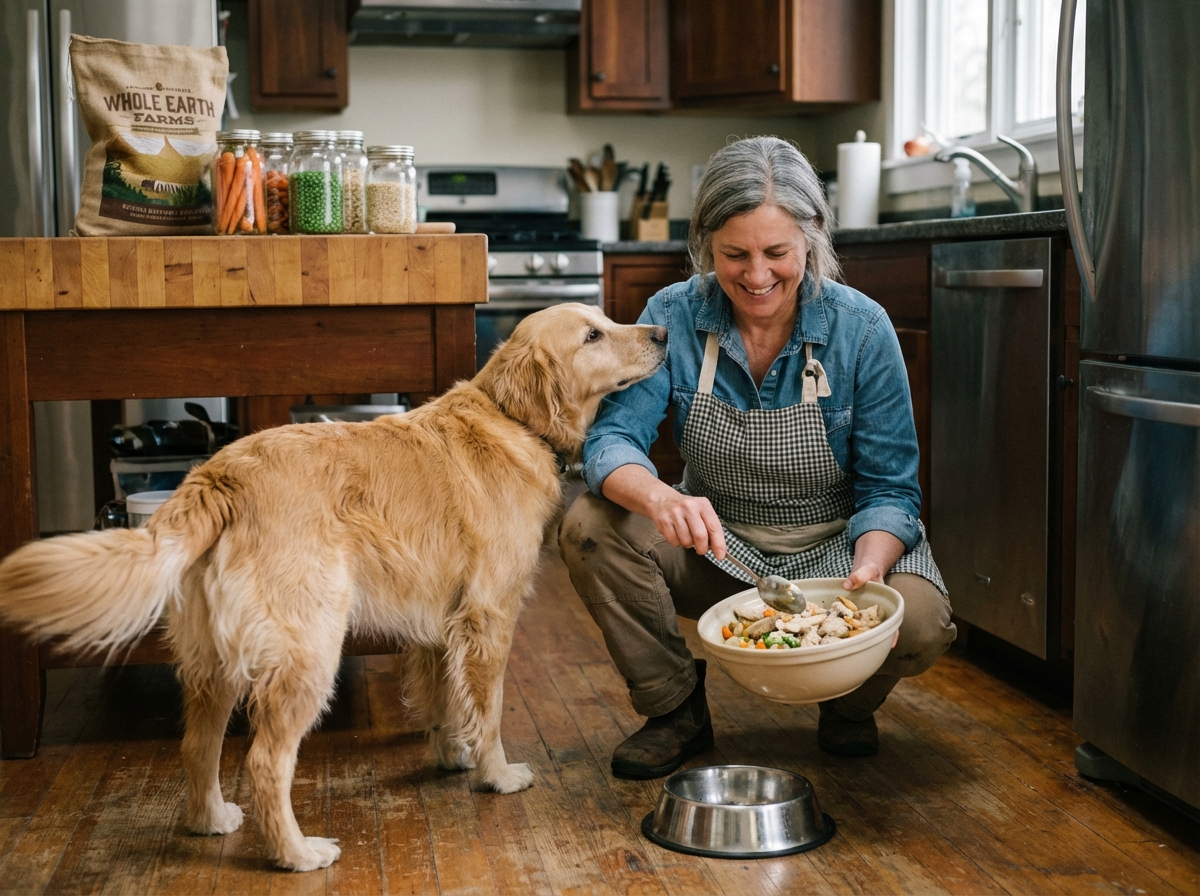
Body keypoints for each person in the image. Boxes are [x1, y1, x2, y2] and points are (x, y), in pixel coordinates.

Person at [558, 136, 956, 779]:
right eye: (734, 255)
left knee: (921, 622)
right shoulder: (672, 315)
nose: (757, 276)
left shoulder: (863, 329)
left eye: (777, 253)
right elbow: (611, 442)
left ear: (812, 236)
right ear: (705, 244)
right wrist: (661, 498)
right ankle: (675, 709)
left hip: (839, 555)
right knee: (588, 526)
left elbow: (891, 489)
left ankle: (848, 702)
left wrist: (870, 568)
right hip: (717, 547)